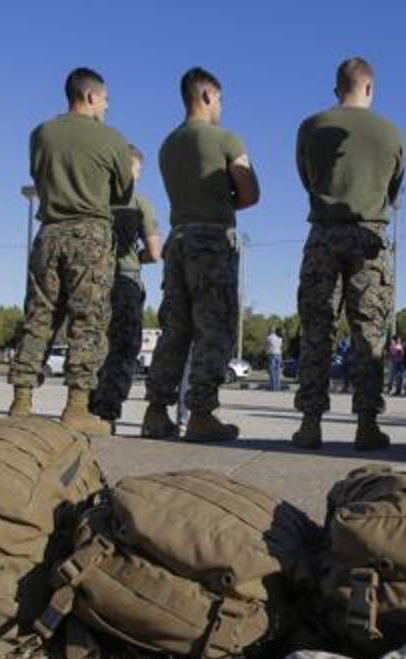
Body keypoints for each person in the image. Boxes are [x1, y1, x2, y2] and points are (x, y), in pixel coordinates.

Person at [7, 68, 133, 435]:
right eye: (105, 100)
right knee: (88, 320)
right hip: (90, 235)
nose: (107, 107)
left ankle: (21, 400)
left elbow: (38, 174)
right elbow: (122, 193)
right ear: (91, 96)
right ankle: (77, 407)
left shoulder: (41, 134)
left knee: (39, 316)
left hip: (48, 233)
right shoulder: (112, 139)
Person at [141, 67, 260, 443]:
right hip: (211, 242)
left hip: (178, 240)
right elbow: (250, 193)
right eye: (220, 99)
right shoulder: (225, 139)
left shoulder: (167, 145)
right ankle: (202, 415)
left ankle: (155, 412)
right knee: (214, 327)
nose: (221, 107)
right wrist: (222, 200)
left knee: (175, 329)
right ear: (208, 95)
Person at [288, 57, 402, 450]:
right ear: (369, 87)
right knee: (369, 332)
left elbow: (307, 178)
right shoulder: (390, 133)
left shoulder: (311, 127)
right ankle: (367, 424)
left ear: (337, 88)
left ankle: (310, 424)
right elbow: (393, 190)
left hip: (323, 232)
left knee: (317, 330)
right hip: (369, 236)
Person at [89, 145, 163, 429]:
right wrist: (137, 257)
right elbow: (154, 253)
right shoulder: (139, 203)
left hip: (92, 281)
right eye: (138, 169)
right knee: (123, 348)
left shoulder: (93, 200)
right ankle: (108, 412)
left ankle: (83, 406)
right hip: (125, 280)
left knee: (91, 342)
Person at [266, 327, 283, 393]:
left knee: (272, 371)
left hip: (272, 354)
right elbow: (280, 346)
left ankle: (273, 387)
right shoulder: (280, 338)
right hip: (279, 354)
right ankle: (278, 387)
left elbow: (267, 345)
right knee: (277, 372)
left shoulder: (269, 337)